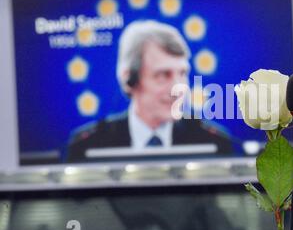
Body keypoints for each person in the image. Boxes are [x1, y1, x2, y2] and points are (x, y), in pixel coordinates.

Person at [66, 20, 233, 162]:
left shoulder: (215, 142)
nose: (179, 89)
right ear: (129, 79)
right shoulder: (86, 146)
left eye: (182, 74)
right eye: (163, 75)